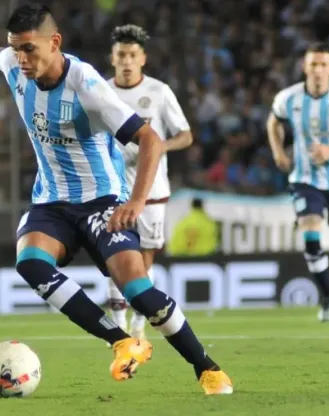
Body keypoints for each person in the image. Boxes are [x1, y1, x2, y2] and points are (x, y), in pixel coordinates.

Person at [0, 4, 232, 394]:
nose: (22, 59)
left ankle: (206, 368)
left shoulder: (87, 85)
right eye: (17, 49)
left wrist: (136, 202)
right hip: (52, 202)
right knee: (30, 263)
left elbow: (150, 139)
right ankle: (122, 341)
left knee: (138, 292)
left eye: (29, 49)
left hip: (102, 202)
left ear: (54, 42)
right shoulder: (13, 63)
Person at [105, 24, 193, 341]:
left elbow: (185, 135)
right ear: (112, 58)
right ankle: (118, 326)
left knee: (144, 258)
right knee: (114, 257)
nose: (126, 61)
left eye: (132, 55)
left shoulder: (158, 91)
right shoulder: (100, 91)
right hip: (111, 191)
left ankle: (140, 328)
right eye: (121, 55)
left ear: (142, 58)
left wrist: (156, 148)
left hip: (152, 192)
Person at [266, 42, 329, 326]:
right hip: (305, 179)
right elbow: (274, 122)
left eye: (323, 65)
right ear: (304, 67)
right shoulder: (289, 98)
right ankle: (327, 296)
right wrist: (278, 152)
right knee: (310, 232)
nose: (318, 70)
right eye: (313, 65)